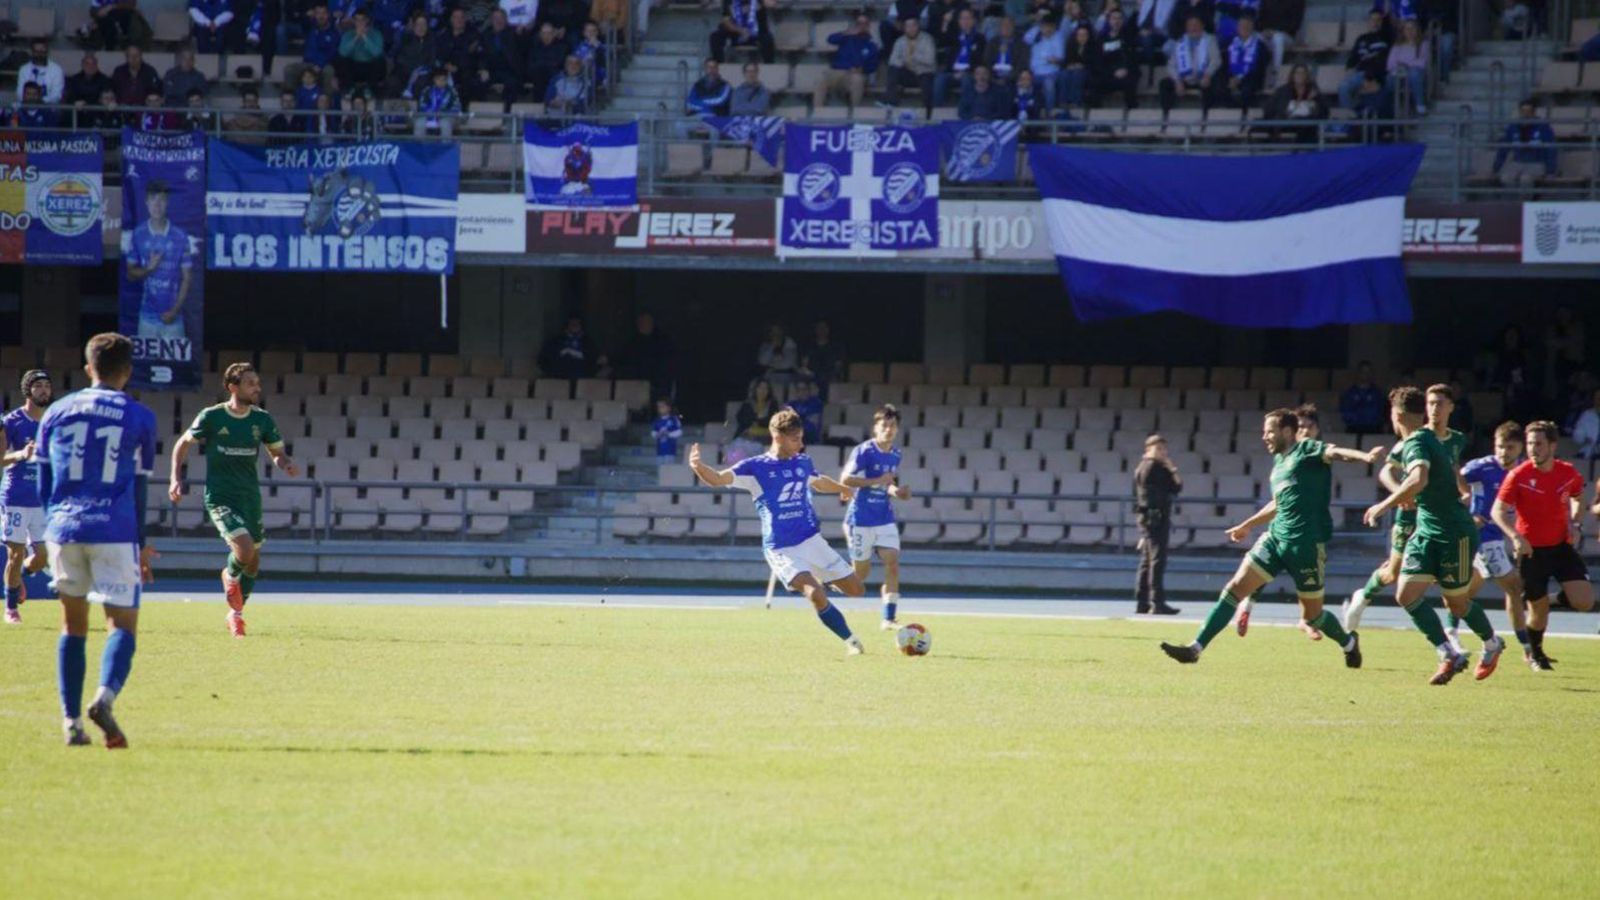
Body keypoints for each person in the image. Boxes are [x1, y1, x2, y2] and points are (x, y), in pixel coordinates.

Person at [1160, 408, 1377, 667]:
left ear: (1287, 431)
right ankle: (1195, 648)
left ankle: (1349, 643)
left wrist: (1365, 457)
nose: (1264, 437)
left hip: (1305, 546)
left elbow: (1335, 452)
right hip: (1275, 539)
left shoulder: (1306, 448)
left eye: (1269, 431)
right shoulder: (1279, 463)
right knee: (1234, 589)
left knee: (1313, 617)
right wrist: (1247, 524)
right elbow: (1278, 503)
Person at [36, 333, 159, 747]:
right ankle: (103, 699)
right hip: (114, 530)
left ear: (88, 368)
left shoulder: (56, 411)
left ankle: (71, 723)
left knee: (72, 626)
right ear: (128, 371)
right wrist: (140, 543)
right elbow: (139, 487)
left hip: (64, 528)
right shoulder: (140, 417)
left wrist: (51, 528)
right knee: (121, 624)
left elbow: (44, 481)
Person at [688, 411, 868, 655]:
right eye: (795, 439)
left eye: (801, 438)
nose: (801, 444)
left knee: (857, 590)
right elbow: (717, 479)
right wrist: (698, 467)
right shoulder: (755, 468)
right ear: (777, 437)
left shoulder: (803, 461)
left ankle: (827, 579)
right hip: (781, 548)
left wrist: (842, 488)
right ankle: (852, 641)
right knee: (814, 593)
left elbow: (818, 481)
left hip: (810, 540)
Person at [1361, 387, 1506, 685]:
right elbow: (1408, 474)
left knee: (1456, 604)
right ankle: (1447, 653)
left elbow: (1418, 478)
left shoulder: (1418, 441)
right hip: (1426, 530)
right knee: (1406, 594)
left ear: (1397, 415)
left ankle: (1492, 643)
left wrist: (1383, 505)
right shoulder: (1422, 440)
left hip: (1454, 533)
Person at [168, 362, 298, 639]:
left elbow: (277, 453)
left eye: (257, 383)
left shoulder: (262, 420)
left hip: (249, 497)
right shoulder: (212, 417)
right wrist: (175, 478)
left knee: (253, 561)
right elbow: (182, 444)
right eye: (250, 383)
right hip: (220, 497)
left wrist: (285, 463)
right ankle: (229, 574)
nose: (257, 388)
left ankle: (236, 614)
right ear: (232, 387)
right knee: (245, 549)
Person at [1345, 383, 1468, 633]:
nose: (1434, 409)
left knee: (1444, 579)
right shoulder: (1415, 439)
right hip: (1411, 515)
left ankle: (1455, 637)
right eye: (1430, 403)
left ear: (1451, 407)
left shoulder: (1457, 440)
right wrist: (1399, 493)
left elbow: (1453, 470)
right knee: (1392, 574)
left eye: (1439, 403)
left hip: (1440, 516)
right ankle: (1362, 598)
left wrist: (1465, 492)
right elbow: (1386, 472)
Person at [1494, 420, 1595, 659]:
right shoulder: (1518, 475)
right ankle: (1536, 654)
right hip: (1531, 551)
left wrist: (1576, 524)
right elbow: (1498, 511)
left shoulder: (1567, 472)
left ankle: (1542, 599)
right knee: (1538, 613)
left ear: (1552, 446)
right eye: (1530, 443)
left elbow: (1579, 497)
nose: (1533, 449)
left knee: (1584, 602)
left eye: (1538, 444)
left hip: (1561, 547)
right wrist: (1516, 537)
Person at [1461, 422, 1542, 668]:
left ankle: (1458, 640)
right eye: (1499, 447)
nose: (1503, 452)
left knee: (1465, 594)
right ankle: (1527, 649)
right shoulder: (1480, 467)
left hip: (1504, 535)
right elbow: (1452, 478)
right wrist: (1466, 502)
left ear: (1520, 448)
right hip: (1483, 536)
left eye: (1510, 447)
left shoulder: (1526, 470)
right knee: (1514, 588)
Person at [840, 405, 913, 630]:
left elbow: (887, 484)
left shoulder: (896, 454)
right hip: (860, 519)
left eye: (893, 426)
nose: (888, 430)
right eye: (884, 425)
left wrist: (897, 492)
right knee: (860, 576)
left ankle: (888, 618)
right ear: (875, 428)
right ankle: (832, 581)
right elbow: (846, 479)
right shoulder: (864, 451)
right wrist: (876, 480)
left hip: (884, 517)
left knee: (892, 563)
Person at [0, 371, 52, 624]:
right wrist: (21, 454)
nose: (44, 390)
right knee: (15, 553)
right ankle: (10, 609)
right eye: (38, 385)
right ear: (27, 390)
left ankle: (18, 577)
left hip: (41, 499)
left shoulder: (53, 421)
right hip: (15, 496)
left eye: (47, 386)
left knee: (44, 557)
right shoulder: (12, 421)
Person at [125, 182, 193, 341]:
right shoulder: (138, 234)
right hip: (147, 318)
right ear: (146, 202)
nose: (157, 205)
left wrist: (175, 311)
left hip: (174, 319)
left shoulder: (180, 236)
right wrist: (149, 269)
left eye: (161, 199)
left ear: (167, 202)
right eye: (153, 199)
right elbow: (130, 274)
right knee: (145, 358)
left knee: (175, 358)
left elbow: (187, 277)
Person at [1133, 434, 1182, 616]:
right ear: (1149, 450)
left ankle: (1142, 601)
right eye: (1158, 449)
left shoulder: (1142, 467)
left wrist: (1171, 469)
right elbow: (1176, 487)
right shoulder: (1154, 467)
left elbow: (1176, 488)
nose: (1163, 452)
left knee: (1147, 561)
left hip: (1147, 518)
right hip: (1156, 518)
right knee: (1157, 560)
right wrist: (1171, 469)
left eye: (1164, 449)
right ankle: (1157, 602)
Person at [1159, 15, 1220, 117]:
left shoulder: (1209, 40)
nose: (1193, 28)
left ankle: (1207, 116)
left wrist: (1208, 74)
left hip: (1203, 77)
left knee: (1212, 85)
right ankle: (1166, 116)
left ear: (1202, 26)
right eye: (1190, 25)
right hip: (1184, 78)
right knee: (1164, 84)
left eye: (1196, 25)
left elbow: (1216, 60)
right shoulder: (1180, 42)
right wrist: (1177, 80)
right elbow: (1171, 65)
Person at [815, 13, 879, 111]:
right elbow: (830, 39)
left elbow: (873, 65)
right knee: (820, 79)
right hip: (837, 71)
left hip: (853, 74)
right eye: (859, 23)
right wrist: (846, 33)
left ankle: (855, 112)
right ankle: (817, 112)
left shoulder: (871, 44)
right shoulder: (847, 38)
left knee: (857, 80)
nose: (861, 26)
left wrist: (862, 69)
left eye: (864, 24)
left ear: (868, 26)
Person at [934, 8, 987, 107]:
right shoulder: (955, 36)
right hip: (953, 72)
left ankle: (965, 109)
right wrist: (945, 23)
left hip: (970, 72)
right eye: (962, 18)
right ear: (959, 21)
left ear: (973, 21)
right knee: (940, 78)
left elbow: (980, 60)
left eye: (968, 18)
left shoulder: (979, 38)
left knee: (966, 80)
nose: (965, 21)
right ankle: (937, 109)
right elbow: (942, 40)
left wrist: (965, 71)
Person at [1215, 13, 1267, 112]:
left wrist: (1240, 78)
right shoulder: (1228, 44)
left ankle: (1243, 113)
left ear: (1252, 28)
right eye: (1242, 26)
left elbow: (1260, 68)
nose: (1244, 28)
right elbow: (1223, 64)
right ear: (1237, 28)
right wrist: (1231, 78)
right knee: (1219, 84)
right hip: (1230, 77)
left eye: (1247, 26)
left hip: (1250, 78)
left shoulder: (1260, 46)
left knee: (1248, 88)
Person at [1337, 11, 1389, 110]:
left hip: (1378, 75)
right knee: (1343, 87)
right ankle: (1352, 115)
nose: (1375, 23)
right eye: (1372, 20)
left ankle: (1359, 114)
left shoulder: (1387, 38)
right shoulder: (1361, 39)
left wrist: (1370, 77)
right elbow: (1353, 58)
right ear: (1368, 22)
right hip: (1360, 74)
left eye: (1378, 20)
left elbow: (1384, 61)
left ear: (1382, 22)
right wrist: (1349, 68)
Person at [1261, 62, 1326, 142]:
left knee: (1307, 126)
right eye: (1297, 73)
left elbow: (1324, 111)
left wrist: (1315, 101)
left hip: (1306, 123)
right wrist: (1285, 112)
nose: (1300, 75)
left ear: (1307, 76)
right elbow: (1269, 109)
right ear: (1292, 75)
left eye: (1303, 73)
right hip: (1287, 122)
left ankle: (1302, 148)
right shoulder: (1283, 91)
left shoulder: (1313, 89)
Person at [887, 16, 938, 116]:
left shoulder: (927, 39)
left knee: (927, 83)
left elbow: (930, 60)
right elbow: (892, 60)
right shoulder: (900, 41)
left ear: (918, 26)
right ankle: (891, 106)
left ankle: (928, 115)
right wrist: (904, 61)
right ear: (904, 28)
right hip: (908, 72)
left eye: (913, 25)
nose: (911, 29)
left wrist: (913, 57)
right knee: (893, 71)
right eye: (908, 26)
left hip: (924, 73)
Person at [1093, 7, 1140, 110]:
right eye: (1114, 18)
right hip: (1108, 73)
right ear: (1109, 20)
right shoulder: (1101, 39)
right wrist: (1112, 72)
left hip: (1125, 72)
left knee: (1130, 82)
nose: (1116, 21)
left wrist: (1125, 69)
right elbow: (1098, 61)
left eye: (1119, 18)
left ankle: (1132, 111)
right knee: (1094, 82)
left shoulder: (1128, 37)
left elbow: (1133, 58)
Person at [1384, 17, 1428, 115]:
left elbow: (1422, 62)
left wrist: (1406, 64)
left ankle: (1420, 105)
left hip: (1415, 73)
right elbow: (1390, 64)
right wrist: (1401, 66)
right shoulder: (1397, 45)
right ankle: (1391, 108)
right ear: (1403, 31)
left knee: (1414, 74)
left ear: (1417, 30)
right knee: (1389, 79)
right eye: (1407, 28)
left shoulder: (1423, 44)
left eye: (1413, 28)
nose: (1410, 31)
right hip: (1400, 73)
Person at [710, 0, 776, 64]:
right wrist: (740, 30)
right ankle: (719, 66)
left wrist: (764, 3)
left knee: (768, 39)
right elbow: (726, 21)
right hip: (736, 33)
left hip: (757, 32)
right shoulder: (728, 1)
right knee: (715, 37)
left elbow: (771, 3)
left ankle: (769, 67)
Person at [336, 9, 387, 91]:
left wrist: (364, 37)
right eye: (357, 19)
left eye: (362, 19)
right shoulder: (348, 34)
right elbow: (342, 52)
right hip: (354, 66)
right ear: (353, 21)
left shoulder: (376, 34)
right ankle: (349, 90)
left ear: (367, 20)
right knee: (341, 60)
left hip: (370, 66)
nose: (359, 22)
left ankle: (371, 90)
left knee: (380, 60)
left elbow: (377, 53)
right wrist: (355, 38)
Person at [1025, 13, 1067, 110]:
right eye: (1046, 26)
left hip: (1051, 72)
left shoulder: (1058, 37)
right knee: (1025, 83)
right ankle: (1029, 113)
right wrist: (1038, 31)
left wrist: (1051, 59)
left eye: (1051, 26)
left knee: (1049, 85)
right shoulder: (1035, 33)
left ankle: (1049, 113)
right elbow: (1025, 39)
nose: (1048, 29)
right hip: (1034, 72)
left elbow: (1060, 58)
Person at [730, 380, 776, 463]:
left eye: (765, 388)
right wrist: (757, 419)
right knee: (738, 444)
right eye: (760, 388)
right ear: (756, 389)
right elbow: (741, 418)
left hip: (764, 435)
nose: (763, 390)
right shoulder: (748, 403)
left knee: (756, 448)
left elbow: (771, 421)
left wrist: (757, 420)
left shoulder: (772, 404)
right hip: (748, 434)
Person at [540, 316, 599, 380]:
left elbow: (595, 360)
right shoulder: (555, 342)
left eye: (577, 324)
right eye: (572, 323)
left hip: (583, 379)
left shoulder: (588, 343)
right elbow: (543, 360)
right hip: (559, 379)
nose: (575, 325)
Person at [800, 320, 845, 401]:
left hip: (829, 376)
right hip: (812, 376)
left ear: (828, 330)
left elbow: (838, 365)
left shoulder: (835, 347)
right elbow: (804, 364)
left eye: (824, 328)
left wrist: (834, 375)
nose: (822, 330)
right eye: (819, 328)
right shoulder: (809, 346)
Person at [1338, 361, 1384, 433]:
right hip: (1353, 428)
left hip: (1373, 429)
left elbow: (1378, 413)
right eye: (1363, 371)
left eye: (1368, 372)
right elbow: (1346, 413)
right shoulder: (1349, 393)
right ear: (1358, 373)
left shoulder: (1377, 393)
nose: (1366, 374)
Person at [526, 22, 568, 101]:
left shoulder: (561, 47)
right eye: (544, 33)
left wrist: (544, 64)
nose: (547, 36)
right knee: (537, 72)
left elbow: (559, 63)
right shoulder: (535, 47)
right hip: (538, 75)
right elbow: (531, 64)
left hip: (554, 74)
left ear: (554, 34)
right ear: (540, 35)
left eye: (549, 33)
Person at [415, 66, 463, 134]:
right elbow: (422, 105)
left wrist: (442, 113)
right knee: (419, 123)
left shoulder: (452, 92)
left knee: (445, 123)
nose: (441, 82)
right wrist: (430, 112)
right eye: (438, 79)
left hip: (447, 116)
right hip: (429, 115)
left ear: (447, 80)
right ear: (434, 80)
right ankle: (419, 141)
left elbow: (456, 107)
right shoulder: (427, 90)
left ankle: (445, 141)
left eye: (444, 79)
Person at [1060, 25, 1098, 109]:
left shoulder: (1093, 46)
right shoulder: (1071, 45)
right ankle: (1063, 102)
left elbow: (1094, 62)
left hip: (1088, 70)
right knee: (1064, 74)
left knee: (1077, 75)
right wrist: (1071, 65)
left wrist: (1082, 66)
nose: (1082, 37)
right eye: (1080, 35)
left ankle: (1075, 101)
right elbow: (1066, 61)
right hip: (1072, 69)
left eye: (1084, 35)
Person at [983, 16, 1029, 86]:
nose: (1006, 27)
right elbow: (987, 60)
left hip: (1013, 79)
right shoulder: (993, 42)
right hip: (994, 77)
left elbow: (1022, 63)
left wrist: (1010, 78)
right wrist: (993, 78)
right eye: (1003, 25)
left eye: (1009, 25)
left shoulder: (1021, 44)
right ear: (999, 27)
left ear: (1013, 27)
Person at [19, 40, 65, 105]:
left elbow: (57, 95)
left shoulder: (57, 69)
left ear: (47, 52)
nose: (39, 54)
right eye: (36, 51)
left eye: (42, 51)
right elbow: (20, 93)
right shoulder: (24, 69)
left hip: (49, 107)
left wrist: (41, 101)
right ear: (32, 52)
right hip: (27, 105)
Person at [652, 399, 683, 464]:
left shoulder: (674, 419)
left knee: (669, 467)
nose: (660, 409)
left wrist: (668, 434)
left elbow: (679, 432)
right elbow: (653, 433)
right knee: (659, 467)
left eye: (662, 407)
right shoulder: (657, 421)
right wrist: (658, 434)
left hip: (670, 451)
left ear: (668, 408)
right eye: (659, 407)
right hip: (660, 451)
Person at [1572, 388, 1600, 459]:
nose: (1599, 399)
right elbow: (1577, 434)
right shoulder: (1587, 414)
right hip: (1591, 452)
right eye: (1597, 397)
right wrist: (1585, 438)